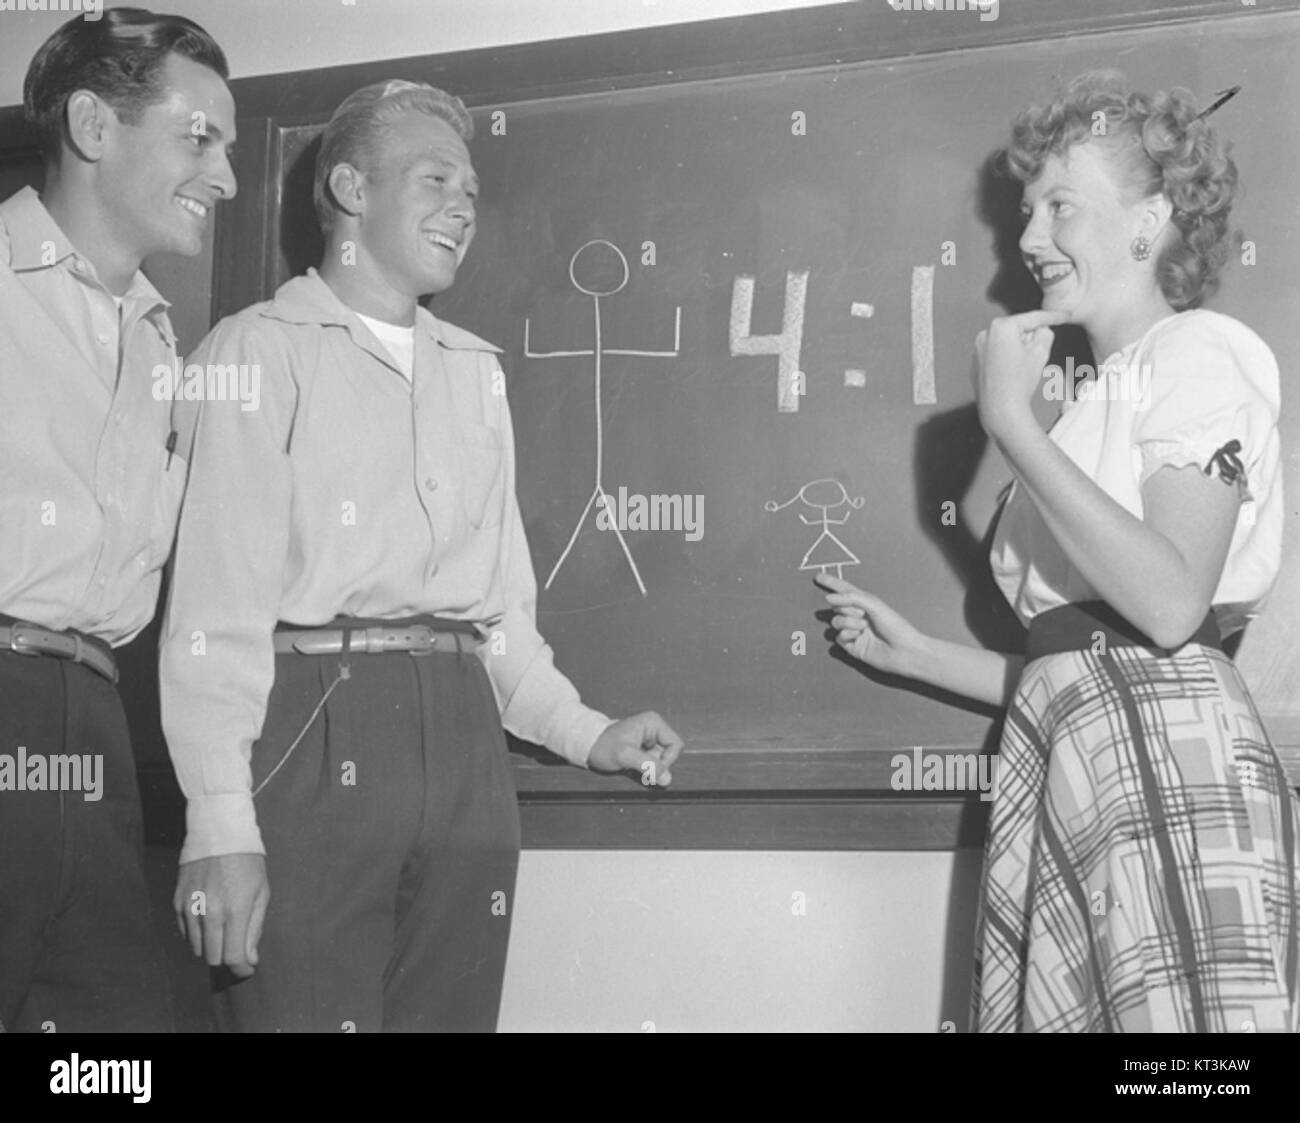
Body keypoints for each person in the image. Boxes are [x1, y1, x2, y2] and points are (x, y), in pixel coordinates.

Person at [159, 79, 685, 1033]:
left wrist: (584, 730)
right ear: (353, 190)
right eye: (437, 179)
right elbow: (212, 616)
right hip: (310, 733)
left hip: (465, 751)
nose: (464, 209)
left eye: (473, 193)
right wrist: (220, 821)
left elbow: (499, 616)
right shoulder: (254, 353)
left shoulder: (476, 373)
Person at [820, 70, 1297, 1032]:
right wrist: (917, 655)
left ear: (1149, 220)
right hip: (1082, 745)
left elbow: (1168, 608)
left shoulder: (1201, 353)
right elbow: (1079, 665)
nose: (1030, 238)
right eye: (1027, 210)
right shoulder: (1093, 400)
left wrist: (1009, 419)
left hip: (1171, 760)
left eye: (1060, 208)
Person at [0, 9, 235, 1032]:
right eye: (200, 138)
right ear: (95, 127)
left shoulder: (163, 351)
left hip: (94, 721)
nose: (225, 176)